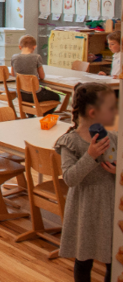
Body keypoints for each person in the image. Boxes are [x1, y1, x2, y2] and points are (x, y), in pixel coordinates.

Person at [54, 83, 117, 282]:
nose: (116, 112)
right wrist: (90, 156)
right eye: (111, 108)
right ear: (92, 112)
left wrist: (118, 171)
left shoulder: (114, 138)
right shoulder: (70, 141)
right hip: (84, 208)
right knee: (83, 259)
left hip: (111, 206)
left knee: (113, 259)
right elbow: (70, 178)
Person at [10, 35, 60, 111]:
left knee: (28, 97)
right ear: (34, 47)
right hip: (36, 94)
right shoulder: (37, 57)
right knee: (56, 97)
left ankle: (30, 115)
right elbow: (42, 76)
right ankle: (44, 115)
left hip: (21, 94)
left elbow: (13, 74)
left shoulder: (14, 57)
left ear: (19, 47)